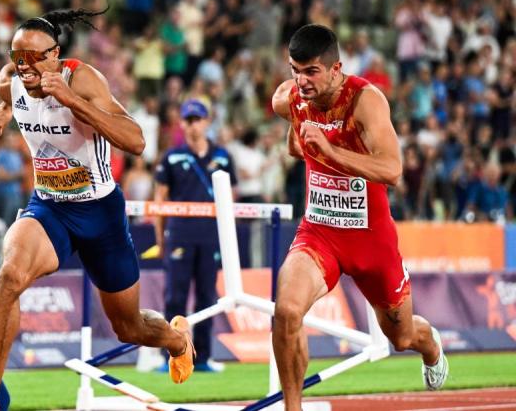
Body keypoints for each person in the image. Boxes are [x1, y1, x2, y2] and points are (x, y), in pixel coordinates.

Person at [0, 8, 194, 411]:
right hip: (49, 207)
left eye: (38, 57)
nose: (27, 66)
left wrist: (68, 99)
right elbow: (13, 97)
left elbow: (136, 141)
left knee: (128, 327)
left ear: (56, 55)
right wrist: (5, 110)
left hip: (100, 213)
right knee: (10, 277)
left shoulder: (83, 79)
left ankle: (178, 339)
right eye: (19, 56)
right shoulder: (10, 81)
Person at [271, 24, 448, 411]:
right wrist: (302, 139)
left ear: (336, 68)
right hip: (320, 232)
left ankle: (431, 345)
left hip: (371, 241)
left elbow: (393, 170)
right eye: (294, 70)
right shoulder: (287, 98)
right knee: (286, 310)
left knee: (401, 337)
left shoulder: (366, 100)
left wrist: (330, 151)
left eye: (311, 71)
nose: (301, 80)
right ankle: (292, 407)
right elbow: (296, 145)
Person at [154, 99, 237, 373]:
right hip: (179, 232)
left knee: (206, 297)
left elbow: (232, 199)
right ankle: (171, 355)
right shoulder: (171, 157)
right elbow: (159, 201)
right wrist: (160, 239)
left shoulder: (222, 156)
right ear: (181, 124)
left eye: (197, 119)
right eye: (187, 120)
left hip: (211, 235)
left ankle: (202, 358)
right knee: (174, 297)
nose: (192, 125)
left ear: (207, 122)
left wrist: (228, 240)